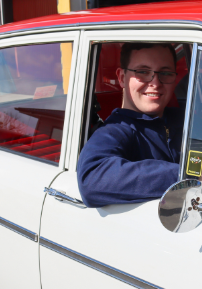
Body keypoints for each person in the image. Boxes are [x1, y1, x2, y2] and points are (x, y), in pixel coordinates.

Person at [77, 42, 184, 208]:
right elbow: (91, 179)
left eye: (166, 72)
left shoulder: (186, 118)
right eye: (143, 72)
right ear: (121, 78)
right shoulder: (116, 130)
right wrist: (190, 177)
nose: (155, 83)